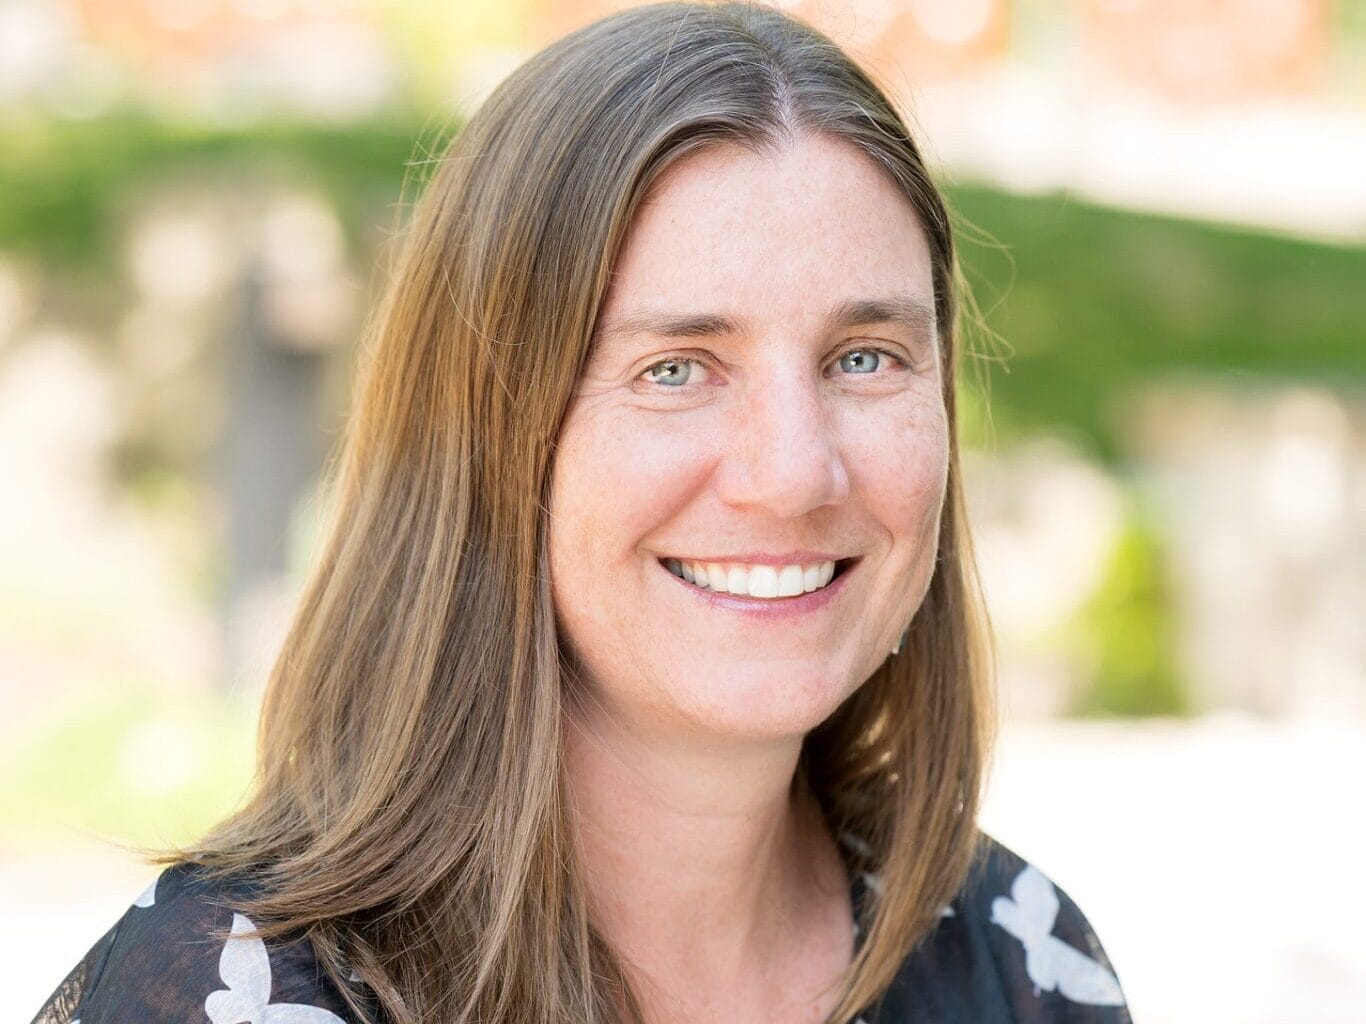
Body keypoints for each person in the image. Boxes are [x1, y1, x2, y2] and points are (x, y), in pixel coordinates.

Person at [30, 3, 1132, 1023]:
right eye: (676, 368)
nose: (794, 474)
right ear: (484, 440)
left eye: (862, 357)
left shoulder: (1020, 962)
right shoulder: (238, 996)